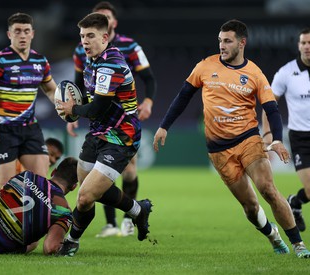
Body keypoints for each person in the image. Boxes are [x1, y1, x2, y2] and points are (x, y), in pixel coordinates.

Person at [153, 19, 310, 258]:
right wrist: (164, 126)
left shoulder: (255, 73)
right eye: (220, 41)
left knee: (267, 189)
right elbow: (183, 96)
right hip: (218, 150)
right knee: (249, 207)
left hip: (248, 140)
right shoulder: (205, 66)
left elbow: (271, 109)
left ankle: (299, 245)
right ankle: (272, 235)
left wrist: (276, 139)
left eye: (227, 41)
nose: (222, 46)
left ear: (242, 43)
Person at [55, 13, 152, 257]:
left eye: (90, 36)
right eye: (81, 37)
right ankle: (138, 210)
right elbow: (91, 101)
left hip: (121, 138)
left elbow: (98, 107)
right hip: (97, 134)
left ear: (105, 37)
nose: (84, 42)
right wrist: (75, 108)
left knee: (86, 196)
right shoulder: (92, 61)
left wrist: (73, 110)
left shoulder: (111, 64)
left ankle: (71, 242)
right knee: (88, 192)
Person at [0, 13, 57, 189]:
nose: (22, 35)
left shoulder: (40, 61)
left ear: (32, 34)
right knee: (5, 191)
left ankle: (33, 217)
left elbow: (50, 89)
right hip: (4, 131)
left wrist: (63, 104)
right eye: (17, 31)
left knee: (41, 187)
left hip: (31, 128)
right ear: (9, 35)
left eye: (26, 31)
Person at [0, 157, 78, 255]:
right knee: (34, 241)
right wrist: (69, 247)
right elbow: (50, 248)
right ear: (73, 187)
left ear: (54, 171)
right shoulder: (64, 211)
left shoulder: (27, 175)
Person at [262, 27, 310, 232]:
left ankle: (295, 202)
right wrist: (267, 136)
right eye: (304, 43)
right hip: (301, 138)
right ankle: (295, 202)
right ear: (298, 45)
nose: (307, 47)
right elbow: (268, 106)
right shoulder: (286, 72)